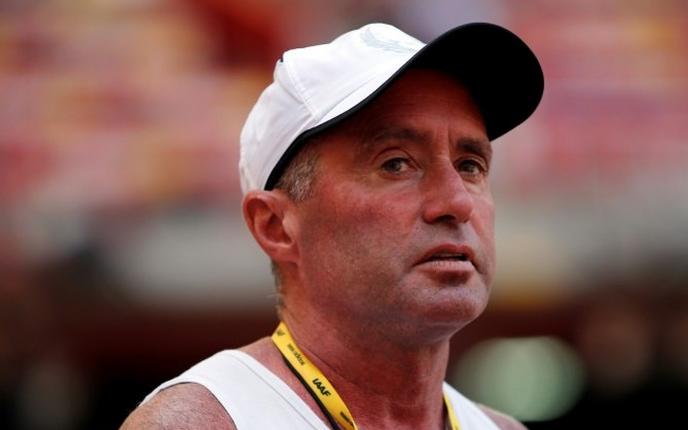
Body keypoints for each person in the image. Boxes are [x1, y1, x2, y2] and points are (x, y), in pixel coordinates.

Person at [121, 21, 543, 430]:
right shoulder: (200, 423)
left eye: (470, 165)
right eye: (395, 163)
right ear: (276, 226)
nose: (456, 202)